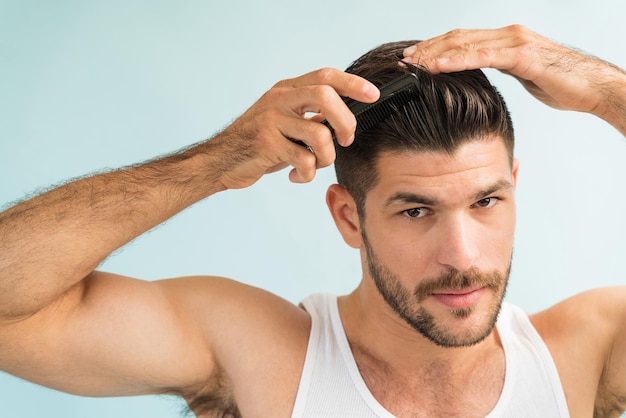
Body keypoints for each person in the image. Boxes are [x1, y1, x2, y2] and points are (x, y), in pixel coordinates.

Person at [0, 24, 624, 417]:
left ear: (514, 188)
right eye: (415, 210)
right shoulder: (260, 355)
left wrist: (602, 90)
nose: (461, 255)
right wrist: (219, 161)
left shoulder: (582, 354)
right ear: (348, 217)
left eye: (485, 202)